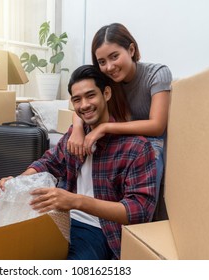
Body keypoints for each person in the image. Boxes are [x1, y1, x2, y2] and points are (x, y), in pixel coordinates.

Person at [0, 65, 157, 260]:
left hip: (98, 230)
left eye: (90, 96)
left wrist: (76, 201)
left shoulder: (136, 147)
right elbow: (48, 162)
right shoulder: (75, 136)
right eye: (77, 99)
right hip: (58, 219)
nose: (85, 105)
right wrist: (16, 182)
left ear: (106, 93)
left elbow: (139, 210)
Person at [68, 23, 172, 208]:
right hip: (121, 136)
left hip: (151, 140)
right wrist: (77, 129)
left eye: (114, 57)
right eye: (102, 62)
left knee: (150, 156)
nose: (109, 67)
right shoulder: (108, 80)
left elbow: (157, 126)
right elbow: (80, 99)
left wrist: (104, 127)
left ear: (131, 49)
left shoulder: (157, 74)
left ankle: (138, 224)